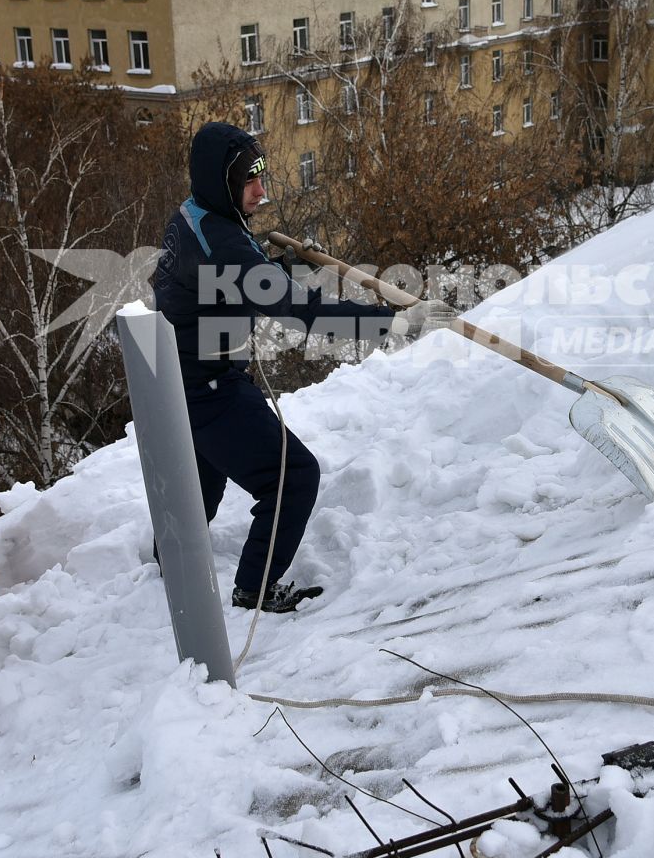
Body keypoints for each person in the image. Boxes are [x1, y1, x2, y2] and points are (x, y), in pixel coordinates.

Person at [152, 122, 456, 613]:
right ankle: (254, 588)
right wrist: (394, 324)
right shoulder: (224, 245)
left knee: (198, 483)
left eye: (261, 176)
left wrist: (279, 265)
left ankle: (169, 558)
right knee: (293, 476)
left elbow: (227, 277)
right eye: (247, 181)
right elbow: (300, 313)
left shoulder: (194, 216)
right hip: (209, 388)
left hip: (180, 382)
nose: (260, 191)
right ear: (219, 182)